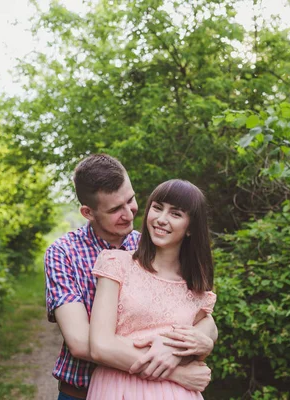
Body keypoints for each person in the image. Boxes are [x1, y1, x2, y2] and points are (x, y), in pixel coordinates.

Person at [44, 155, 218, 400]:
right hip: (82, 392)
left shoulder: (151, 244)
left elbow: (201, 317)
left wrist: (195, 343)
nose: (129, 213)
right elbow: (82, 343)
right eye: (115, 209)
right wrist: (174, 372)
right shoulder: (64, 253)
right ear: (88, 212)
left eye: (131, 200)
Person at [87, 179, 216, 399]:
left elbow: (208, 328)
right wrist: (174, 371)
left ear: (190, 228)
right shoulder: (116, 264)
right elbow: (100, 346)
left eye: (176, 214)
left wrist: (206, 343)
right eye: (157, 208)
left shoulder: (197, 288)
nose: (161, 219)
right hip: (119, 389)